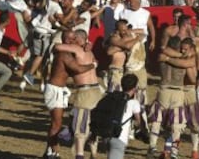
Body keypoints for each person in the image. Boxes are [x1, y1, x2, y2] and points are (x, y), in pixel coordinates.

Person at [43, 30, 97, 159]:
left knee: (57, 123)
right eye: (71, 39)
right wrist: (93, 65)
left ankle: (51, 151)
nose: (73, 42)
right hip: (55, 90)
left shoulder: (69, 53)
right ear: (65, 39)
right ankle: (52, 153)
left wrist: (87, 44)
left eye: (74, 39)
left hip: (60, 90)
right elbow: (78, 69)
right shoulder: (64, 54)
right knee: (56, 124)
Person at [107, 74, 141, 159]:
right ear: (134, 88)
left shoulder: (113, 98)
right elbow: (138, 122)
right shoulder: (134, 103)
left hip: (107, 135)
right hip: (120, 137)